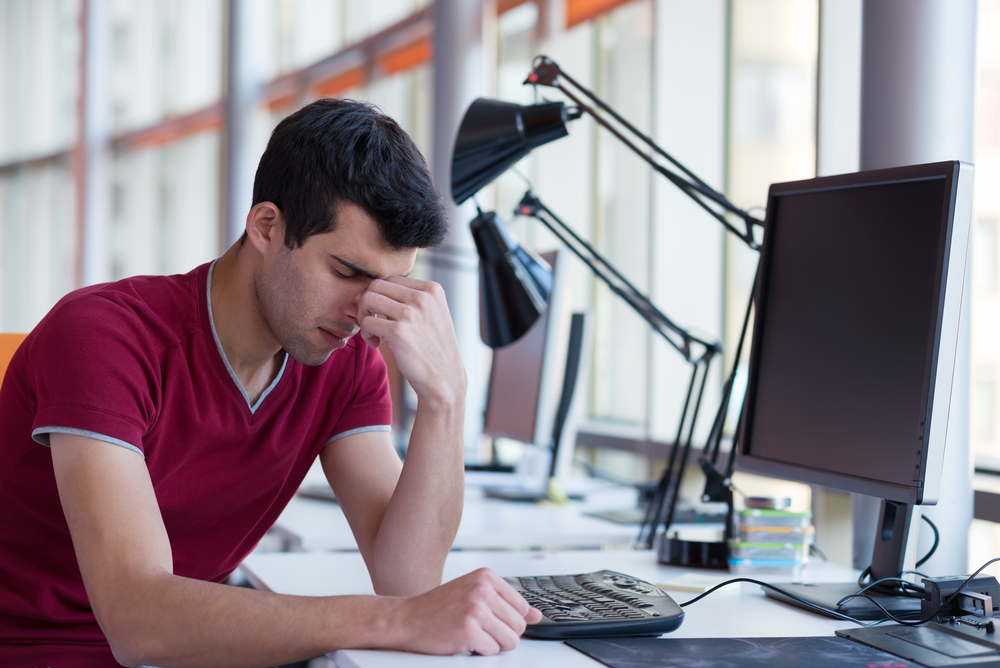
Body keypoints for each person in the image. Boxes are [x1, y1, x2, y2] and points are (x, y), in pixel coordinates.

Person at [0, 98, 541, 668]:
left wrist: (445, 398)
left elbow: (405, 577)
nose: (364, 312)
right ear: (266, 226)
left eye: (390, 285)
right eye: (346, 272)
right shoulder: (103, 336)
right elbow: (137, 619)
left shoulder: (344, 360)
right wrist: (395, 621)